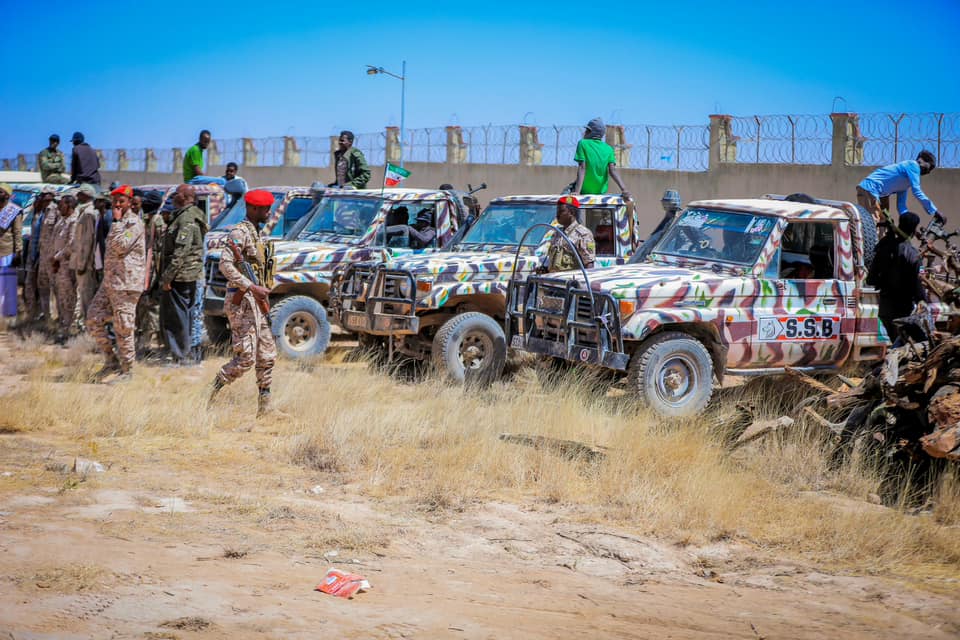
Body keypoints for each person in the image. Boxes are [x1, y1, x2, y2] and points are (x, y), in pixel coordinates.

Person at [208, 189, 278, 417]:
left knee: (267, 355)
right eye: (266, 209)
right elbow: (225, 265)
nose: (269, 212)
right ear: (253, 209)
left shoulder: (256, 233)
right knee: (246, 358)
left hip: (257, 301)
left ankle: (264, 408)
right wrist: (250, 286)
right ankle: (210, 393)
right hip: (243, 302)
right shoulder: (239, 233)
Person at [87, 185, 145, 381]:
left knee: (123, 327)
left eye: (121, 201)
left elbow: (120, 246)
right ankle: (111, 361)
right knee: (93, 318)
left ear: (129, 202)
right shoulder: (117, 222)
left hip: (126, 283)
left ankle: (128, 371)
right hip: (111, 281)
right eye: (115, 201)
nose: (117, 205)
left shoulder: (134, 223)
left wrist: (118, 221)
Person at [158, 184, 208, 365]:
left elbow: (181, 251)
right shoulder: (186, 215)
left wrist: (167, 278)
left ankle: (181, 356)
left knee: (178, 317)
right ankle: (180, 354)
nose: (174, 196)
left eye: (177, 193)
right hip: (184, 274)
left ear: (186, 197)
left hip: (181, 276)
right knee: (182, 316)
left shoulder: (186, 218)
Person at [866, 212, 927, 342]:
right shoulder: (913, 255)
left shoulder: (883, 247)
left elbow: (870, 279)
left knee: (896, 343)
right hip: (903, 312)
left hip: (885, 310)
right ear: (913, 230)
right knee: (911, 345)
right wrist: (922, 301)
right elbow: (917, 286)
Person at [857, 151, 942, 225]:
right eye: (929, 169)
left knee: (885, 222)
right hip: (870, 189)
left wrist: (909, 225)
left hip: (876, 194)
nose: (928, 172)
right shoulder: (913, 165)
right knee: (874, 222)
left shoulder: (905, 183)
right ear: (922, 163)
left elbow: (901, 207)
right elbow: (917, 192)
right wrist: (935, 211)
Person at [135, 192, 165, 354]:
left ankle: (149, 343)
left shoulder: (157, 222)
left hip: (153, 273)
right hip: (146, 271)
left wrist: (157, 276)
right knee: (144, 308)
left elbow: (159, 250)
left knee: (152, 308)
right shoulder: (147, 220)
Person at [574, 118, 631, 200]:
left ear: (591, 132)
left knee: (566, 194)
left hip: (584, 189)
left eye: (587, 130)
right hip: (600, 191)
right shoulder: (608, 149)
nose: (584, 132)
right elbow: (613, 171)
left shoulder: (582, 143)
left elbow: (582, 168)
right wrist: (624, 189)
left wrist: (577, 192)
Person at [24, 186, 57, 322]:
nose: (43, 198)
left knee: (50, 286)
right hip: (35, 254)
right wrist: (35, 208)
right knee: (32, 285)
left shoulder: (55, 210)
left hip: (48, 255)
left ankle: (51, 317)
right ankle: (35, 315)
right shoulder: (37, 212)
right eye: (42, 195)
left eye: (46, 195)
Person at [51, 194, 79, 341]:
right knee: (61, 298)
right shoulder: (62, 221)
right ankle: (62, 327)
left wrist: (56, 258)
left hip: (67, 267)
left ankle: (68, 330)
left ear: (69, 206)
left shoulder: (74, 222)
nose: (59, 207)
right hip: (58, 265)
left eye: (61, 205)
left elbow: (71, 245)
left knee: (68, 299)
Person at [72, 184, 101, 325]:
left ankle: (88, 327)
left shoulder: (89, 213)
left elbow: (88, 240)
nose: (77, 197)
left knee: (87, 296)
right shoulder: (83, 212)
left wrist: (82, 263)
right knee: (82, 295)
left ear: (86, 195)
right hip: (81, 261)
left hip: (86, 264)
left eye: (80, 194)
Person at [545, 195, 595, 272]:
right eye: (557, 211)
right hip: (554, 281)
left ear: (571, 212)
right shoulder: (557, 233)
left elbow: (589, 264)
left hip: (571, 281)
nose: (557, 215)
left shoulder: (583, 234)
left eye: (561, 211)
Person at [0, 184, 23, 318]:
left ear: (7, 195)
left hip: (7, 253)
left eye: (0, 192)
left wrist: (18, 253)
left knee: (7, 285)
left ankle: (9, 315)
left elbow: (17, 233)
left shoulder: (13, 211)